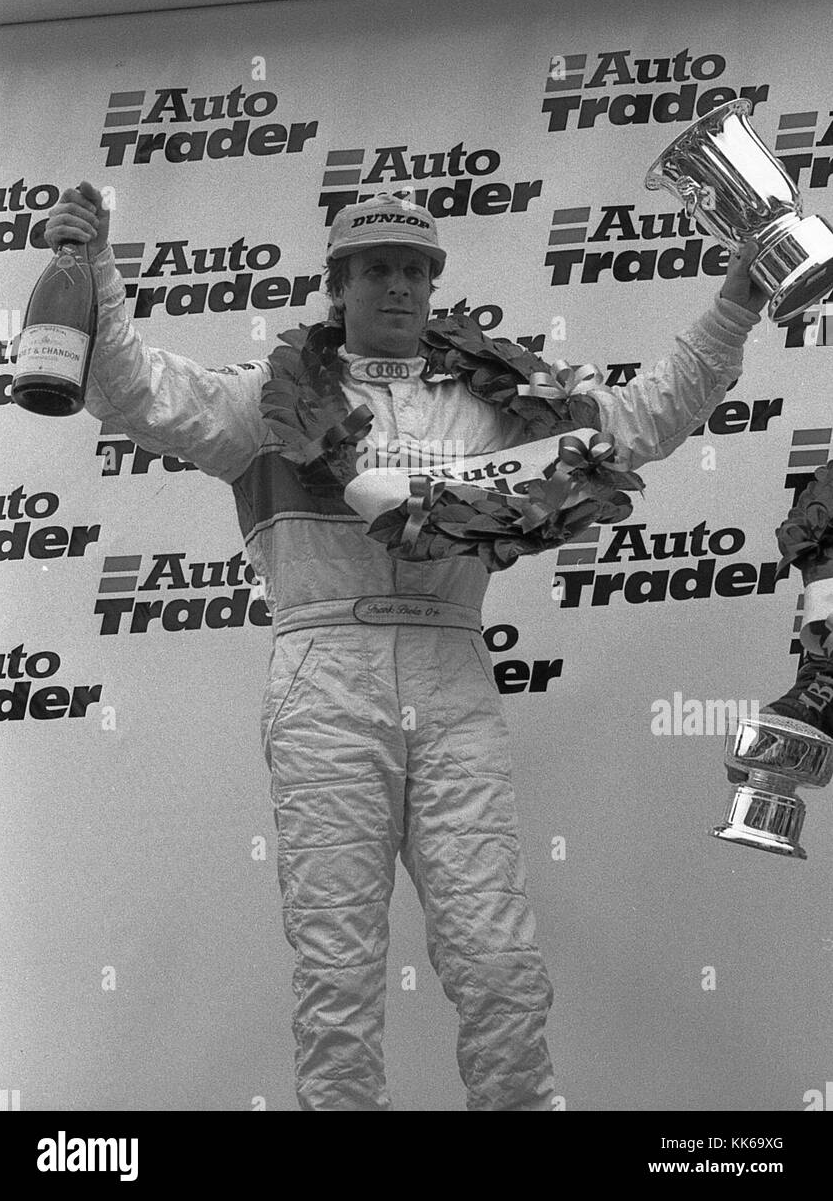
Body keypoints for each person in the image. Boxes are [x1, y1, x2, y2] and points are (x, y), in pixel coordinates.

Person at [43, 180, 766, 1111]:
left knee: (498, 959)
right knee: (338, 972)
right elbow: (130, 388)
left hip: (452, 672)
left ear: (435, 287)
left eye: (415, 271)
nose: (398, 287)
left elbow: (641, 419)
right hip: (324, 676)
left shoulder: (501, 403)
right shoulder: (261, 401)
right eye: (376, 268)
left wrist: (735, 307)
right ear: (337, 286)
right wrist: (91, 262)